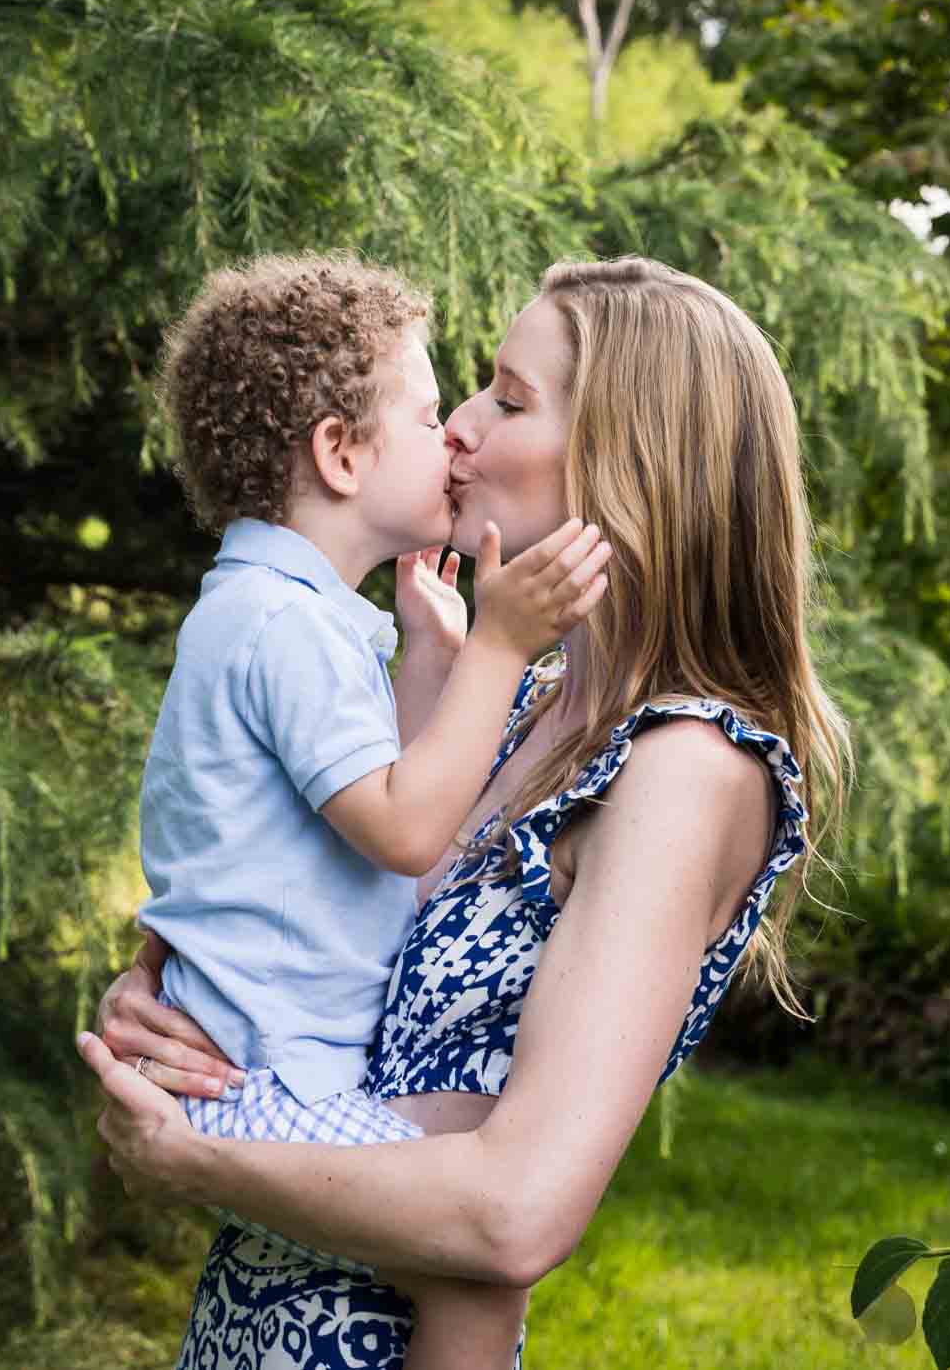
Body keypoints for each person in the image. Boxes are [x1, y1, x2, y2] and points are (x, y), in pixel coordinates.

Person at [80, 256, 850, 1370]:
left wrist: (191, 1154)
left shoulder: (685, 764)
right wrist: (167, 996)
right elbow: (322, 906)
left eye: (506, 397)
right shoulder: (516, 704)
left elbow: (515, 1213)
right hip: (253, 1324)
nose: (459, 431)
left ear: (624, 455)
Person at [134, 254, 611, 1370]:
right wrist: (498, 647)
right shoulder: (278, 628)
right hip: (263, 1081)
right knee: (475, 1268)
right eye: (422, 408)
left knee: (492, 1148)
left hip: (272, 1067)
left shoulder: (284, 614)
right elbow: (404, 830)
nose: (451, 433)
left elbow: (377, 805)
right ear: (339, 455)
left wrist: (427, 660)